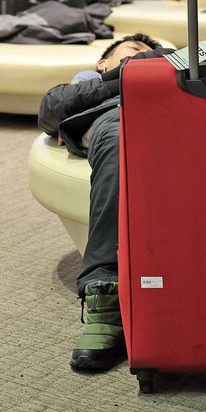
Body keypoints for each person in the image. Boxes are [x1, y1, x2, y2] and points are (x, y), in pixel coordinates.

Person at [37, 33, 171, 372]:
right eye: (133, 51)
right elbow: (51, 111)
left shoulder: (173, 67)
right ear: (102, 63)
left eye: (152, 53)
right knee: (120, 140)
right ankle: (104, 296)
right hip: (118, 118)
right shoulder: (88, 84)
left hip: (176, 114)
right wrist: (129, 74)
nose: (144, 55)